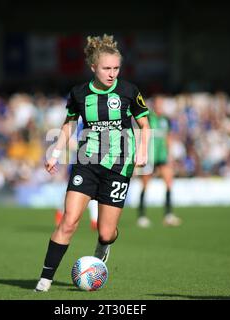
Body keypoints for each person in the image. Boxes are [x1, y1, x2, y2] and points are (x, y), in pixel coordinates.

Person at [35, 34, 150, 292]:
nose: (112, 73)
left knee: (106, 232)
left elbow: (144, 124)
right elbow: (69, 124)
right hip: (86, 163)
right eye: (107, 68)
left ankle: (104, 245)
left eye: (116, 68)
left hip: (119, 166)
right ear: (93, 68)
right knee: (69, 221)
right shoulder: (78, 93)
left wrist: (143, 151)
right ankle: (45, 279)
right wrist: (55, 152)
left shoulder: (129, 91)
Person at [137, 95, 182, 228]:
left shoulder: (165, 119)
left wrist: (170, 155)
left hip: (162, 155)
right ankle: (142, 216)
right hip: (150, 156)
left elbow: (168, 137)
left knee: (169, 182)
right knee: (145, 185)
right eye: (157, 103)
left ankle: (168, 215)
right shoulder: (148, 117)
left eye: (161, 104)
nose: (159, 106)